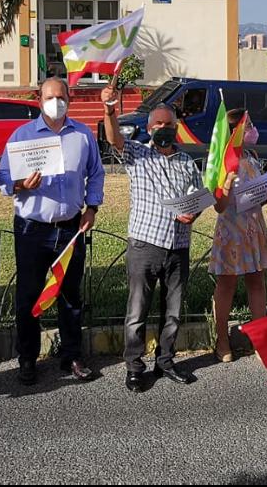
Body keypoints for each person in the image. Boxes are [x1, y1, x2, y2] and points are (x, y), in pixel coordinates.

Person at [0, 77, 105, 386]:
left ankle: (71, 356)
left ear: (69, 98)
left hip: (70, 228)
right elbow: (2, 179)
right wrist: (20, 184)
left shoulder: (82, 135)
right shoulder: (22, 135)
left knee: (70, 295)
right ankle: (28, 358)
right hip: (32, 229)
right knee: (29, 296)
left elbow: (96, 174)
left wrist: (92, 207)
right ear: (39, 98)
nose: (56, 102)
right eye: (49, 97)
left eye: (61, 96)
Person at [101, 81, 203, 392]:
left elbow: (197, 197)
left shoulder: (187, 161)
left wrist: (194, 213)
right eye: (158, 123)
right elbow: (114, 138)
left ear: (176, 127)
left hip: (178, 246)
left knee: (173, 311)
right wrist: (109, 110)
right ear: (148, 127)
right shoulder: (138, 155)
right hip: (145, 244)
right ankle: (134, 366)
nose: (164, 128)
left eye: (169, 124)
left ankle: (166, 361)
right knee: (137, 312)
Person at [209, 108, 267, 363]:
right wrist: (227, 184)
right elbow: (219, 206)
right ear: (235, 132)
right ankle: (222, 340)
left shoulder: (252, 158)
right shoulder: (221, 161)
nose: (253, 129)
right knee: (227, 285)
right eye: (248, 125)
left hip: (253, 228)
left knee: (257, 282)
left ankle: (260, 341)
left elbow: (256, 200)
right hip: (231, 231)